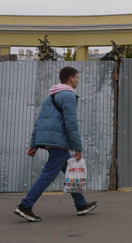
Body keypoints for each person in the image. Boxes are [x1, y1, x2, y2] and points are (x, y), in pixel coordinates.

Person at [14, 66, 97, 222]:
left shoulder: (51, 95)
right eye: (77, 77)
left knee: (69, 171)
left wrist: (34, 143)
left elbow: (40, 121)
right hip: (58, 141)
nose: (78, 80)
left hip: (50, 140)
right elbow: (71, 124)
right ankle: (25, 206)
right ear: (71, 78)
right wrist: (77, 148)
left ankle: (81, 204)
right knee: (48, 174)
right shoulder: (68, 95)